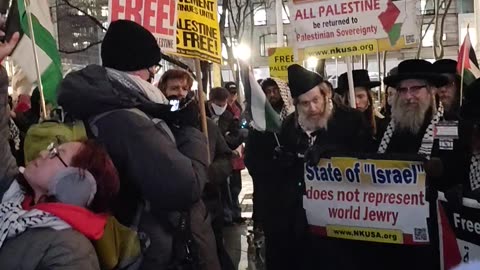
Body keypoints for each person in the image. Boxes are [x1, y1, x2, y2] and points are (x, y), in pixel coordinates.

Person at [57, 20, 219, 270]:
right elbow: (186, 185)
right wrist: (191, 130)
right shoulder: (126, 120)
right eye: (151, 68)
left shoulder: (105, 105)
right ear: (135, 68)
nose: (153, 75)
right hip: (159, 250)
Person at [0, 36, 120, 268]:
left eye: (56, 153)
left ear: (75, 185)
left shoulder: (72, 252)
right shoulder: (14, 196)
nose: (44, 153)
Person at [272, 64, 372, 270]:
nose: (313, 108)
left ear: (326, 94)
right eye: (305, 104)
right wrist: (285, 161)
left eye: (316, 100)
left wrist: (332, 154)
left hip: (343, 218)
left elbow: (367, 163)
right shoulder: (291, 126)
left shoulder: (351, 120)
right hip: (303, 220)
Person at [373, 59, 455, 269]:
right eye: (403, 90)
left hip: (431, 235)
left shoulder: (452, 126)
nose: (408, 96)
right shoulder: (386, 128)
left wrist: (441, 170)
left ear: (431, 90)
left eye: (415, 89)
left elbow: (459, 171)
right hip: (390, 230)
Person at [158, 69, 236, 270]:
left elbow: (226, 157)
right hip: (172, 211)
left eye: (185, 88)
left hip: (209, 205)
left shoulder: (206, 124)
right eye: (174, 88)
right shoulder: (156, 124)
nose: (181, 93)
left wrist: (207, 174)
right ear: (163, 90)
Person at [244, 77, 295, 268]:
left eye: (275, 90)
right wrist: (268, 168)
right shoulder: (258, 125)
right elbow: (250, 158)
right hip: (267, 189)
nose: (272, 95)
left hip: (291, 191)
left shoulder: (294, 120)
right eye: (268, 91)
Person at [206, 87, 244, 224]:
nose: (222, 107)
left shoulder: (228, 116)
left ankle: (226, 217)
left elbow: (234, 136)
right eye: (219, 105)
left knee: (227, 189)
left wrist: (227, 141)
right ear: (211, 101)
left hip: (222, 159)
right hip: (206, 157)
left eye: (224, 104)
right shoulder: (200, 112)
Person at [336, 70, 388, 143]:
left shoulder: (381, 125)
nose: (356, 102)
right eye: (351, 97)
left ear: (368, 98)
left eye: (360, 96)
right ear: (345, 100)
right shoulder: (336, 126)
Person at [225, 82, 247, 225]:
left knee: (236, 187)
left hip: (237, 157)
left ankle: (236, 213)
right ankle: (228, 216)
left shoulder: (238, 109)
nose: (232, 97)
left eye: (234, 94)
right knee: (227, 190)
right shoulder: (222, 110)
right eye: (229, 94)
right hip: (227, 156)